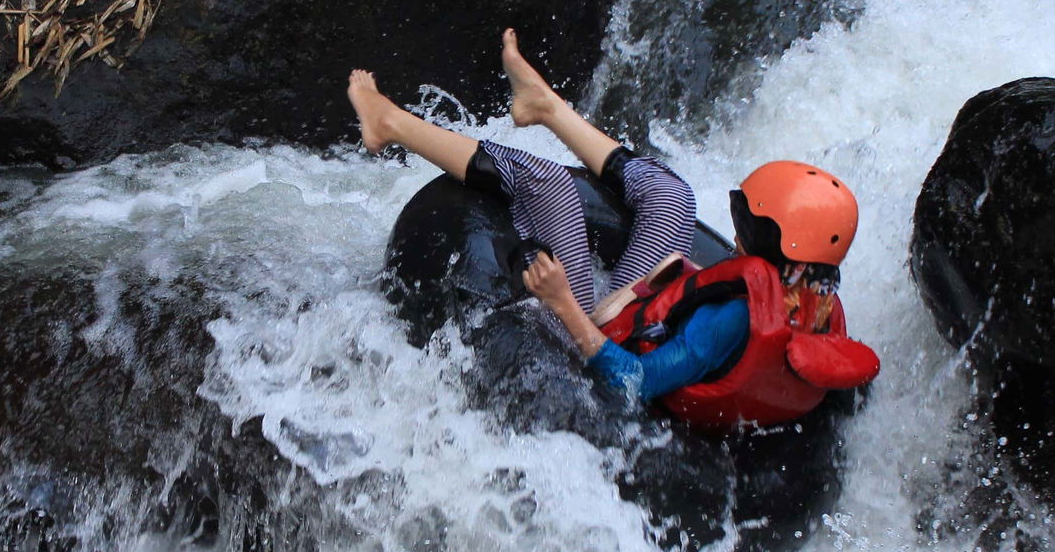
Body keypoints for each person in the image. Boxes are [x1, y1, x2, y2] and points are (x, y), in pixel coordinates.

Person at [348, 29, 877, 432]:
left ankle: (390, 124)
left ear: (782, 246)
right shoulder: (816, 300)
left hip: (601, 340)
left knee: (545, 182)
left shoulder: (728, 321)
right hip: (646, 313)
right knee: (672, 195)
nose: (736, 228)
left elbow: (632, 382)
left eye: (747, 222)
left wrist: (562, 303)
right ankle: (546, 107)